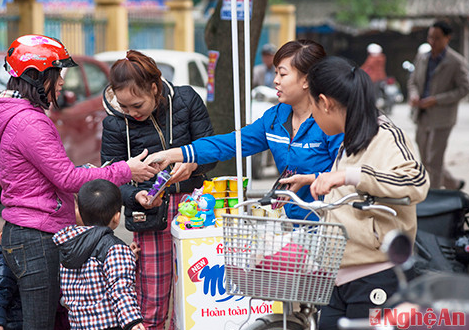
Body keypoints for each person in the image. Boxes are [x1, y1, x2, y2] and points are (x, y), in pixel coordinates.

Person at [0, 34, 158, 330]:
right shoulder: (30, 122)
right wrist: (124, 170)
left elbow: (54, 173)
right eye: (57, 72)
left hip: (32, 231)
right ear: (35, 76)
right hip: (35, 236)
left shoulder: (23, 117)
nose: (62, 80)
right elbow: (68, 178)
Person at [279, 56, 430, 330]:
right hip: (337, 277)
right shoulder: (349, 136)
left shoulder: (385, 134)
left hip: (378, 277)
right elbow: (353, 181)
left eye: (311, 106)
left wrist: (347, 176)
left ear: (324, 103)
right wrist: (319, 179)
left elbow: (416, 181)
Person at [101, 49, 216, 330]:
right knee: (151, 306)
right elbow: (111, 178)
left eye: (136, 105)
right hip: (151, 215)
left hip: (196, 209)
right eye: (123, 106)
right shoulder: (114, 124)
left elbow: (211, 150)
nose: (131, 112)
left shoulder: (187, 100)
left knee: (192, 299)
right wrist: (135, 196)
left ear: (154, 87)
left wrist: (192, 164)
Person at [146, 39, 344, 221]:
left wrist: (311, 179)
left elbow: (347, 172)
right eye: (275, 73)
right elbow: (230, 143)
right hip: (294, 223)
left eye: (282, 74)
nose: (275, 80)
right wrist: (174, 154)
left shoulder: (330, 120)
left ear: (307, 80)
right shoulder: (275, 118)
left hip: (331, 223)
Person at [54, 179, 146, 330]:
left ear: (78, 212)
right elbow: (121, 289)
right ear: (117, 217)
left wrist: (128, 258)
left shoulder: (68, 247)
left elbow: (91, 272)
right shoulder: (115, 249)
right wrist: (132, 322)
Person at [407, 20, 469, 190]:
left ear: (447, 38)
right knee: (426, 160)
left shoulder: (456, 62)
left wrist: (437, 100)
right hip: (422, 116)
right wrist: (414, 95)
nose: (432, 42)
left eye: (437, 38)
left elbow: (464, 89)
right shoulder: (422, 57)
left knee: (434, 161)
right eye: (430, 37)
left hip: (442, 119)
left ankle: (433, 200)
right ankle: (453, 184)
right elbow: (412, 81)